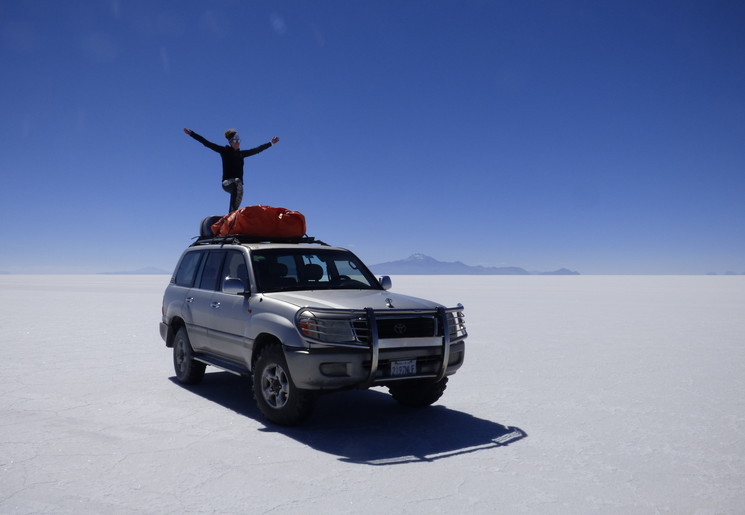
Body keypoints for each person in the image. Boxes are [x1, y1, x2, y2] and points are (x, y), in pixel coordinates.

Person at [183, 127, 280, 213]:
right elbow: (207, 143)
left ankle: (231, 215)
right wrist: (192, 134)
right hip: (227, 183)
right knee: (238, 181)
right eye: (235, 141)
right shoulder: (224, 151)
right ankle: (232, 212)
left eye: (239, 141)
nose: (238, 143)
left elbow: (257, 150)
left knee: (238, 188)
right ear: (230, 142)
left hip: (237, 186)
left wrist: (271, 143)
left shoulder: (242, 154)